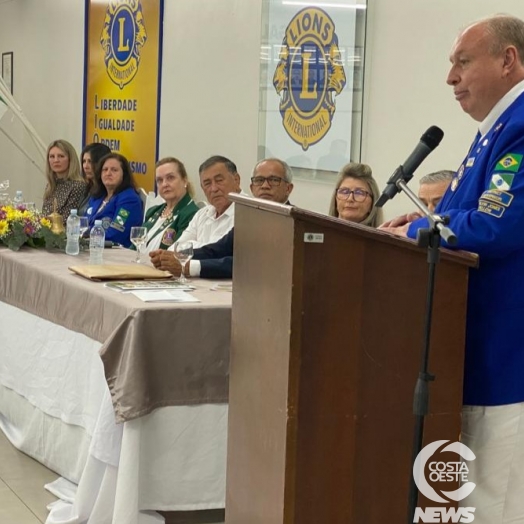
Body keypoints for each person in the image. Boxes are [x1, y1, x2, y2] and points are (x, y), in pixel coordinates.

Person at [380, 15, 524, 522]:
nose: (451, 78)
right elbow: (466, 213)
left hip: (503, 357)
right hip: (470, 349)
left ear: (508, 61)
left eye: (463, 62)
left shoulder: (522, 125)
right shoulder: (495, 130)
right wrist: (422, 219)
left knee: (492, 506)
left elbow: (497, 227)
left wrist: (421, 230)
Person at [151, 158, 295, 278]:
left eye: (274, 180)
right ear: (252, 188)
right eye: (259, 180)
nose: (265, 186)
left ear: (289, 188)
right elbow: (217, 249)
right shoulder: (253, 217)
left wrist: (188, 266)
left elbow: (249, 263)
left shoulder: (291, 222)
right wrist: (172, 256)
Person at [140, 157, 199, 254]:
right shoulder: (153, 211)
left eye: (170, 178)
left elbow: (176, 254)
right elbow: (134, 248)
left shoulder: (191, 213)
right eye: (159, 180)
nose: (164, 184)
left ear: (184, 181)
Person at [85, 153, 143, 247]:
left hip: (114, 252)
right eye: (105, 170)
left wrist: (87, 239)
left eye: (114, 170)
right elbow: (83, 224)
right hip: (90, 247)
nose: (108, 173)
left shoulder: (129, 200)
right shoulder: (97, 196)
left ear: (124, 174)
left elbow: (116, 234)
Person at [42, 139, 86, 223]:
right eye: (52, 156)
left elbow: (67, 220)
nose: (56, 160)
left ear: (70, 159)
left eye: (61, 156)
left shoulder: (78, 185)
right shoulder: (51, 185)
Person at [328, 162, 383, 227]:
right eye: (344, 191)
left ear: (373, 202)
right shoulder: (321, 233)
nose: (350, 199)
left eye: (359, 193)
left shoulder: (381, 236)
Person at [78, 143, 111, 216]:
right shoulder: (88, 188)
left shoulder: (107, 191)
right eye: (84, 161)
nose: (85, 166)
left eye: (90, 162)